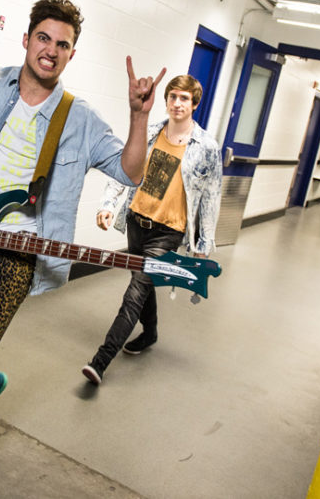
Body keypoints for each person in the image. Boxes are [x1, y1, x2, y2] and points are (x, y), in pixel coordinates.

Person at [0, 0, 165, 498]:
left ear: (71, 55)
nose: (51, 50)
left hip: (15, 254)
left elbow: (131, 173)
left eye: (63, 44)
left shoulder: (78, 119)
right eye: (44, 38)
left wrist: (138, 116)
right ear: (26, 41)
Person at [81, 74, 222, 386]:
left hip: (169, 231)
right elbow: (125, 169)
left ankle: (100, 361)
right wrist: (107, 204)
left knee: (135, 292)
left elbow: (211, 198)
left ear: (195, 103)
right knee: (141, 282)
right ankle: (151, 333)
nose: (177, 103)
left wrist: (203, 243)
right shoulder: (150, 134)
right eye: (173, 96)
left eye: (184, 98)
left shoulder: (207, 148)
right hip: (137, 220)